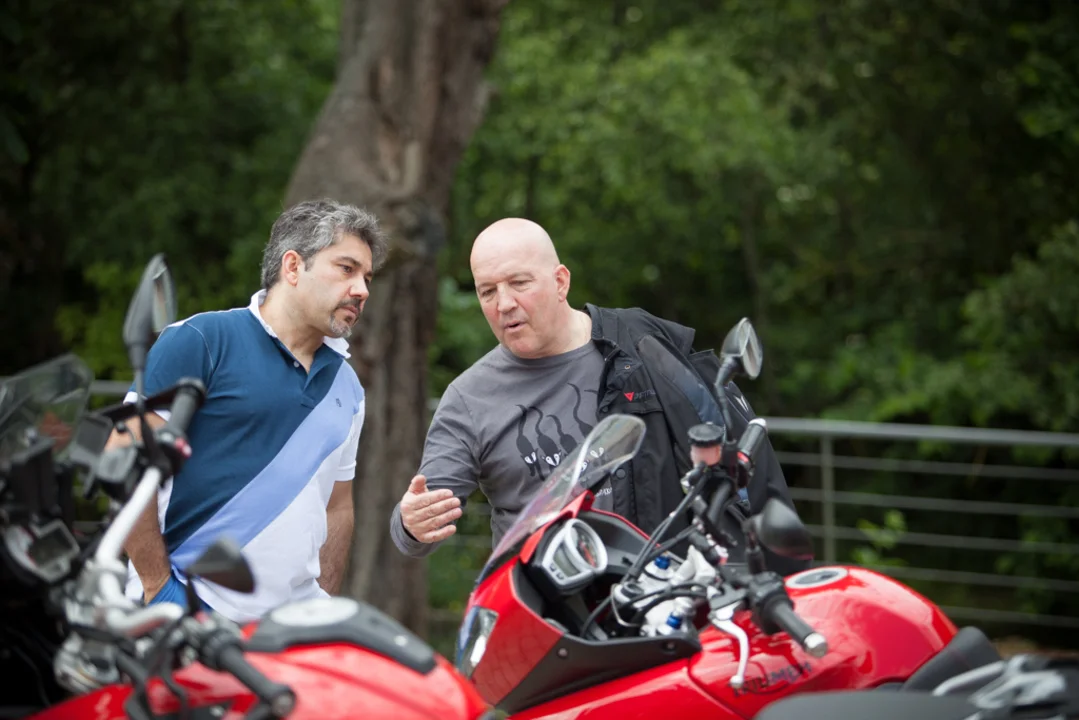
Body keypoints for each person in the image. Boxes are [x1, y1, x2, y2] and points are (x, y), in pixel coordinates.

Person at [389, 218, 808, 575]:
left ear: (560, 281)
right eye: (487, 291)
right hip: (550, 611)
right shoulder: (468, 398)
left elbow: (734, 452)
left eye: (519, 283)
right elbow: (417, 524)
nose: (504, 304)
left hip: (669, 594)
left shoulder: (641, 345)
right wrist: (412, 525)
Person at [113, 199, 387, 622]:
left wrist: (322, 606)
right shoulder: (201, 340)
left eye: (366, 277)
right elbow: (123, 454)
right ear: (292, 267)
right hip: (183, 613)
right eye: (346, 269)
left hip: (288, 629)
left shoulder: (348, 387)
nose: (362, 290)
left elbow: (338, 507)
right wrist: (157, 586)